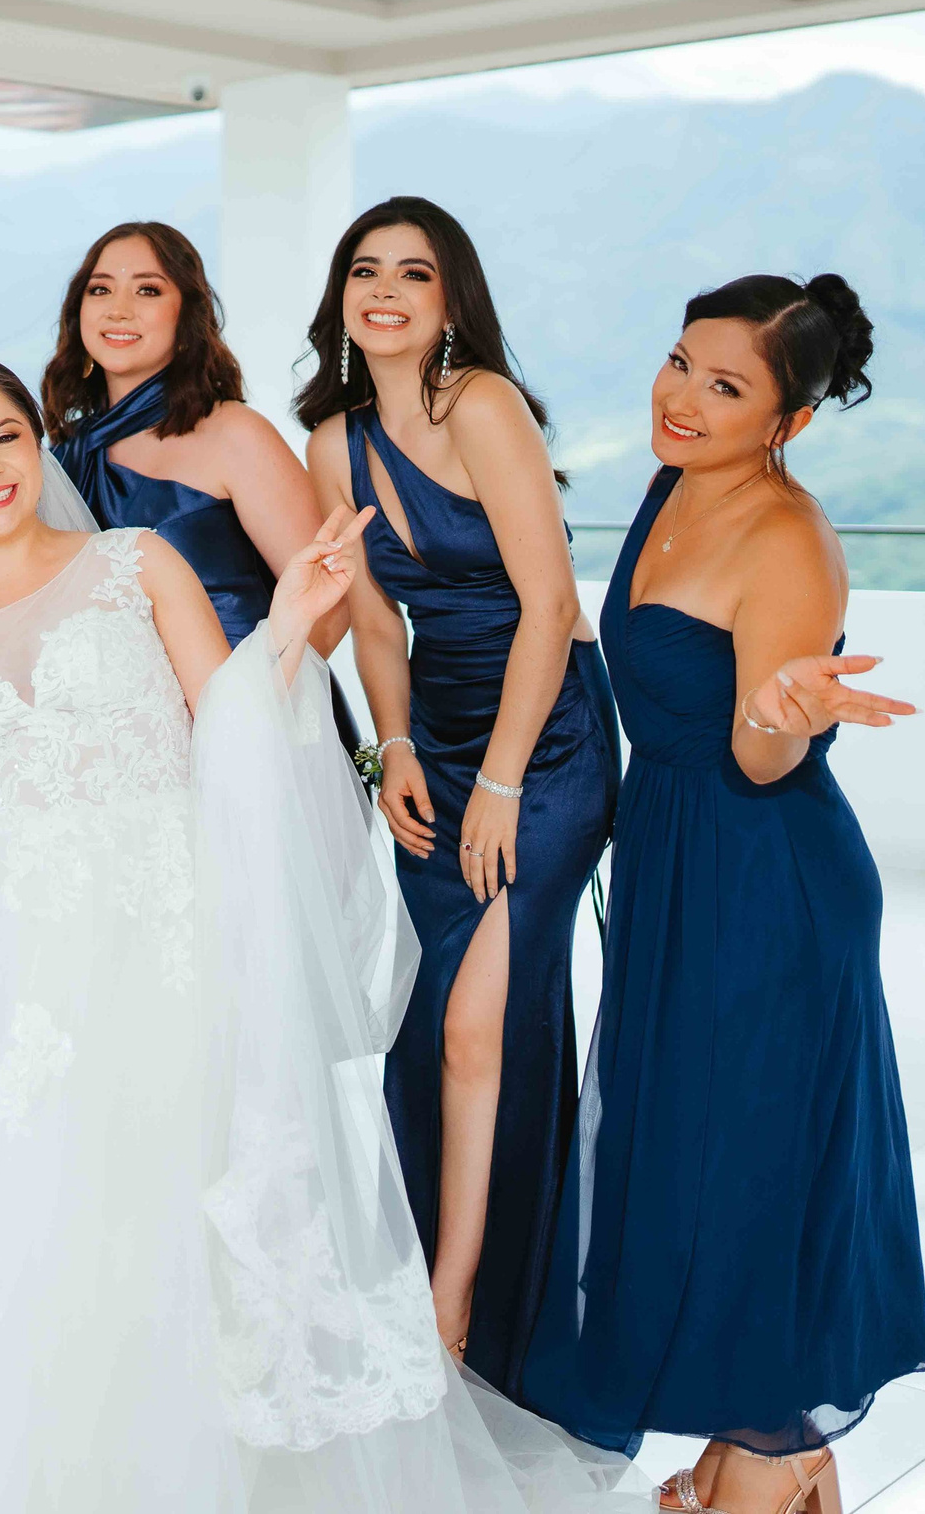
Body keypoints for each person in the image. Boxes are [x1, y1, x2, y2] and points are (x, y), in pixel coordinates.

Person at [0, 358, 642, 1514]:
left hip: (167, 932)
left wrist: (294, 628)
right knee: (42, 1218)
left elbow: (231, 723)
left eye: (4, 436)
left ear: (35, 448)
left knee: (187, 1201)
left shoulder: (132, 564)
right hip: (19, 966)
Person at [520, 274, 925, 1514]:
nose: (682, 397)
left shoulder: (787, 535)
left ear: (788, 423)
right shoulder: (667, 487)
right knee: (687, 1149)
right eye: (678, 362)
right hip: (672, 861)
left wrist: (779, 711)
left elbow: (765, 758)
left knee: (753, 1155)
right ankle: (762, 1439)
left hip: (766, 878)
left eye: (726, 385)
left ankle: (773, 1439)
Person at [297, 198, 618, 1392]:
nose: (384, 289)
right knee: (446, 1023)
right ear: (340, 297)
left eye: (413, 273)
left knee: (477, 1022)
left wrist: (495, 781)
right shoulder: (334, 440)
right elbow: (375, 619)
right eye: (364, 270)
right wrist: (392, 750)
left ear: (448, 301)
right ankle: (478, 1270)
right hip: (437, 736)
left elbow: (548, 603)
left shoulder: (479, 404)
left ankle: (450, 1308)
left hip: (548, 741)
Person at [45, 222, 340, 653]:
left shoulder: (236, 435)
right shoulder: (63, 459)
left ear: (187, 315)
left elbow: (329, 613)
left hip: (253, 705)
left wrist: (246, 706)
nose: (118, 309)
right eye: (100, 290)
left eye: (147, 290)